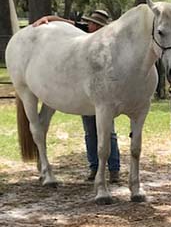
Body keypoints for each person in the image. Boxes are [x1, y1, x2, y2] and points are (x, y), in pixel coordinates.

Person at [32, 10, 121, 183]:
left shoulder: (107, 40)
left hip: (102, 93)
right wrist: (47, 18)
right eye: (89, 23)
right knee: (90, 132)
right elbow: (65, 22)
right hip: (85, 91)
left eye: (92, 23)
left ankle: (114, 168)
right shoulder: (82, 31)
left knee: (108, 132)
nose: (89, 25)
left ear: (99, 26)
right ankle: (94, 167)